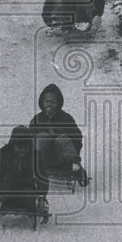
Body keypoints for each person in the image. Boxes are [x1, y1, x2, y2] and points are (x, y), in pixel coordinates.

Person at [29, 83, 83, 214]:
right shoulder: (38, 119)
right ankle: (33, 166)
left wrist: (59, 134)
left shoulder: (66, 118)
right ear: (42, 102)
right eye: (46, 101)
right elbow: (29, 139)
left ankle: (75, 166)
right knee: (42, 137)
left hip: (62, 158)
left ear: (58, 103)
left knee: (61, 138)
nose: (49, 104)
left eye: (53, 101)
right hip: (42, 159)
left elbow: (77, 138)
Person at [0, 126, 38, 212]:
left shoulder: (36, 156)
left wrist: (41, 196)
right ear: (13, 145)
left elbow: (43, 179)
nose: (22, 151)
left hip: (25, 192)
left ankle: (36, 204)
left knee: (29, 192)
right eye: (19, 147)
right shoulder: (1, 154)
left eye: (26, 147)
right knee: (5, 183)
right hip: (5, 192)